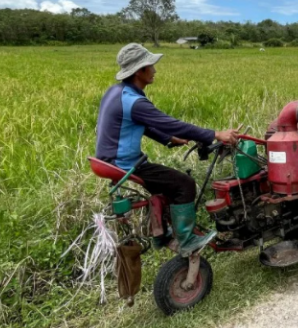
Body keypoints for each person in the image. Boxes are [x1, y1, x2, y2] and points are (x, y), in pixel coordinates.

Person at [95, 43, 240, 256]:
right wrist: (216, 134)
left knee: (165, 187)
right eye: (151, 66)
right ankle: (187, 239)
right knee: (184, 184)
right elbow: (171, 123)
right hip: (124, 163)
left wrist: (169, 140)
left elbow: (143, 125)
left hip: (106, 160)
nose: (155, 70)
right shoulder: (135, 102)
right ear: (139, 71)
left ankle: (161, 233)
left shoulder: (116, 92)